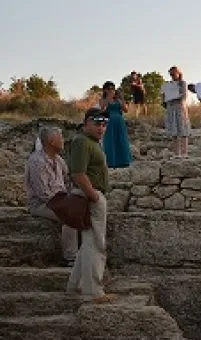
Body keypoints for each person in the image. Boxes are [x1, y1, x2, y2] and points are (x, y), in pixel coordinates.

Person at [66, 108, 116, 304]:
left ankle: (75, 285)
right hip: (91, 197)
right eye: (97, 124)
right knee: (96, 244)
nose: (101, 128)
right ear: (86, 123)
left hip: (93, 196)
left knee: (88, 243)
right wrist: (93, 195)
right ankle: (93, 291)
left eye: (104, 124)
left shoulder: (92, 143)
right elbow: (78, 173)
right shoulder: (81, 142)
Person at [24, 126, 78, 267]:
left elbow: (67, 182)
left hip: (60, 200)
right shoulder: (37, 161)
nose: (63, 141)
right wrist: (64, 204)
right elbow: (43, 193)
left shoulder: (59, 160)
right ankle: (70, 257)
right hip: (41, 204)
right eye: (61, 138)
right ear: (52, 141)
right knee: (70, 216)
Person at [100, 81, 132, 168]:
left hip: (119, 122)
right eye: (109, 89)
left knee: (121, 139)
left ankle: (123, 161)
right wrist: (107, 98)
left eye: (113, 89)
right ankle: (111, 162)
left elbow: (125, 110)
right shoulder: (103, 99)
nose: (111, 91)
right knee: (110, 140)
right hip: (109, 122)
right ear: (105, 90)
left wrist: (122, 99)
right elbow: (102, 110)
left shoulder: (118, 99)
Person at [162, 66, 190, 158]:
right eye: (171, 74)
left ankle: (184, 152)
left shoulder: (183, 83)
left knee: (182, 129)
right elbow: (165, 97)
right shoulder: (169, 84)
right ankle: (176, 153)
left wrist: (174, 95)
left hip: (180, 108)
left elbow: (184, 96)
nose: (172, 76)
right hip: (171, 108)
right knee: (174, 130)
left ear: (178, 73)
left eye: (173, 74)